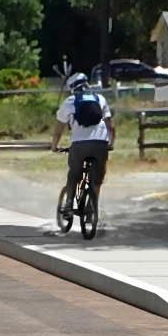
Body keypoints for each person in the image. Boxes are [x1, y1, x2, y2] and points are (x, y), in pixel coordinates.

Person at [54, 71, 114, 235]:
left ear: (72, 88)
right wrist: (111, 143)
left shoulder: (70, 102)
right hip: (101, 144)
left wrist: (54, 145)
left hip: (79, 146)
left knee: (74, 174)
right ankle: (91, 210)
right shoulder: (100, 99)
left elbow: (58, 130)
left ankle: (67, 206)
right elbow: (110, 125)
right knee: (97, 180)